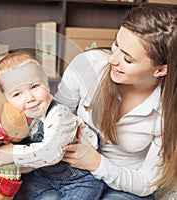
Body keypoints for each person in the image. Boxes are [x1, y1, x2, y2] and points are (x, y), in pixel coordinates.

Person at [52, 4, 177, 200]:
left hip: (126, 185)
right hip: (72, 175)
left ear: (160, 70)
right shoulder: (87, 65)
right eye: (116, 44)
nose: (112, 59)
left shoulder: (167, 111)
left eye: (127, 59)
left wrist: (96, 163)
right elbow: (53, 118)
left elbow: (146, 183)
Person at [0, 51, 106, 199]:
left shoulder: (59, 114)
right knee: (17, 192)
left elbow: (50, 152)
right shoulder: (17, 118)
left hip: (80, 178)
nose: (30, 98)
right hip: (43, 174)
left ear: (46, 83)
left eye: (34, 87)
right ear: (6, 99)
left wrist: (12, 153)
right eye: (17, 94)